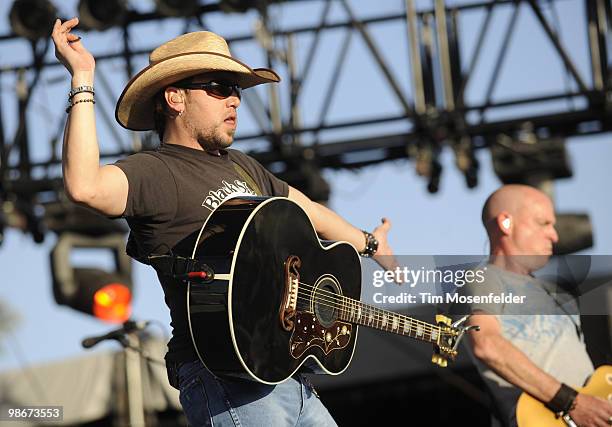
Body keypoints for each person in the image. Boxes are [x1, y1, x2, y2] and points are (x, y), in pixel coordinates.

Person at [51, 17, 396, 427]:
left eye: (235, 90)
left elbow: (309, 211)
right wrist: (83, 77)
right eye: (217, 88)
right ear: (175, 98)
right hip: (225, 377)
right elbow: (85, 186)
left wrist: (370, 245)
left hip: (288, 375)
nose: (233, 100)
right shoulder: (153, 172)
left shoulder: (245, 167)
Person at [460, 184, 612, 427]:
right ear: (505, 224)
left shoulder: (557, 294)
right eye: (543, 223)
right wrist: (572, 403)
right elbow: (486, 344)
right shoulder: (485, 278)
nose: (555, 235)